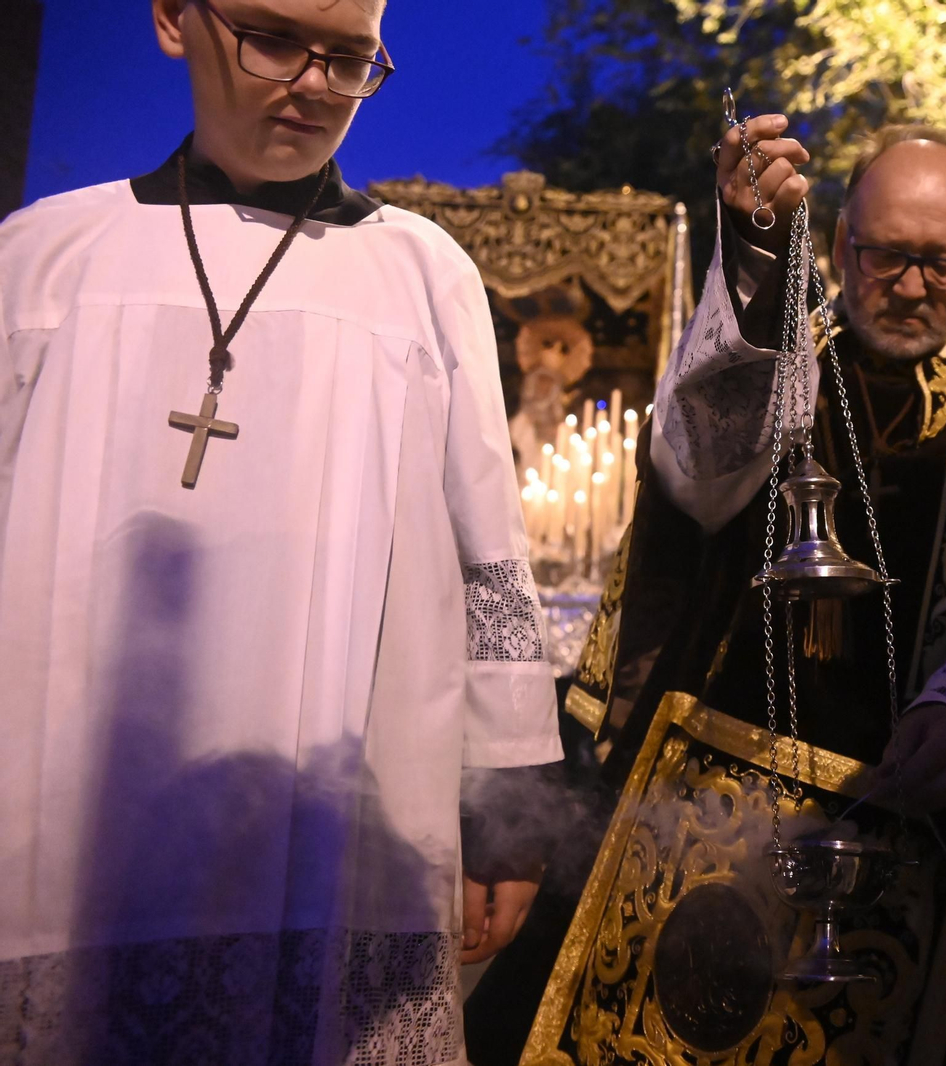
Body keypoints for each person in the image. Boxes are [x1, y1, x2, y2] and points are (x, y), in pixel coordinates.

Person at [465, 120, 946, 1066]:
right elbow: (695, 469)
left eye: (945, 264)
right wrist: (755, 251)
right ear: (843, 244)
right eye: (890, 255)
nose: (916, 285)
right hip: (694, 828)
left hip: (913, 851)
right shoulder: (774, 365)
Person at [0, 2, 560, 1062]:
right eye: (273, 40)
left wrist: (509, 808)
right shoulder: (42, 265)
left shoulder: (421, 277)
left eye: (349, 59)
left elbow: (492, 557)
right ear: (174, 21)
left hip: (341, 829)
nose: (312, 83)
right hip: (68, 823)